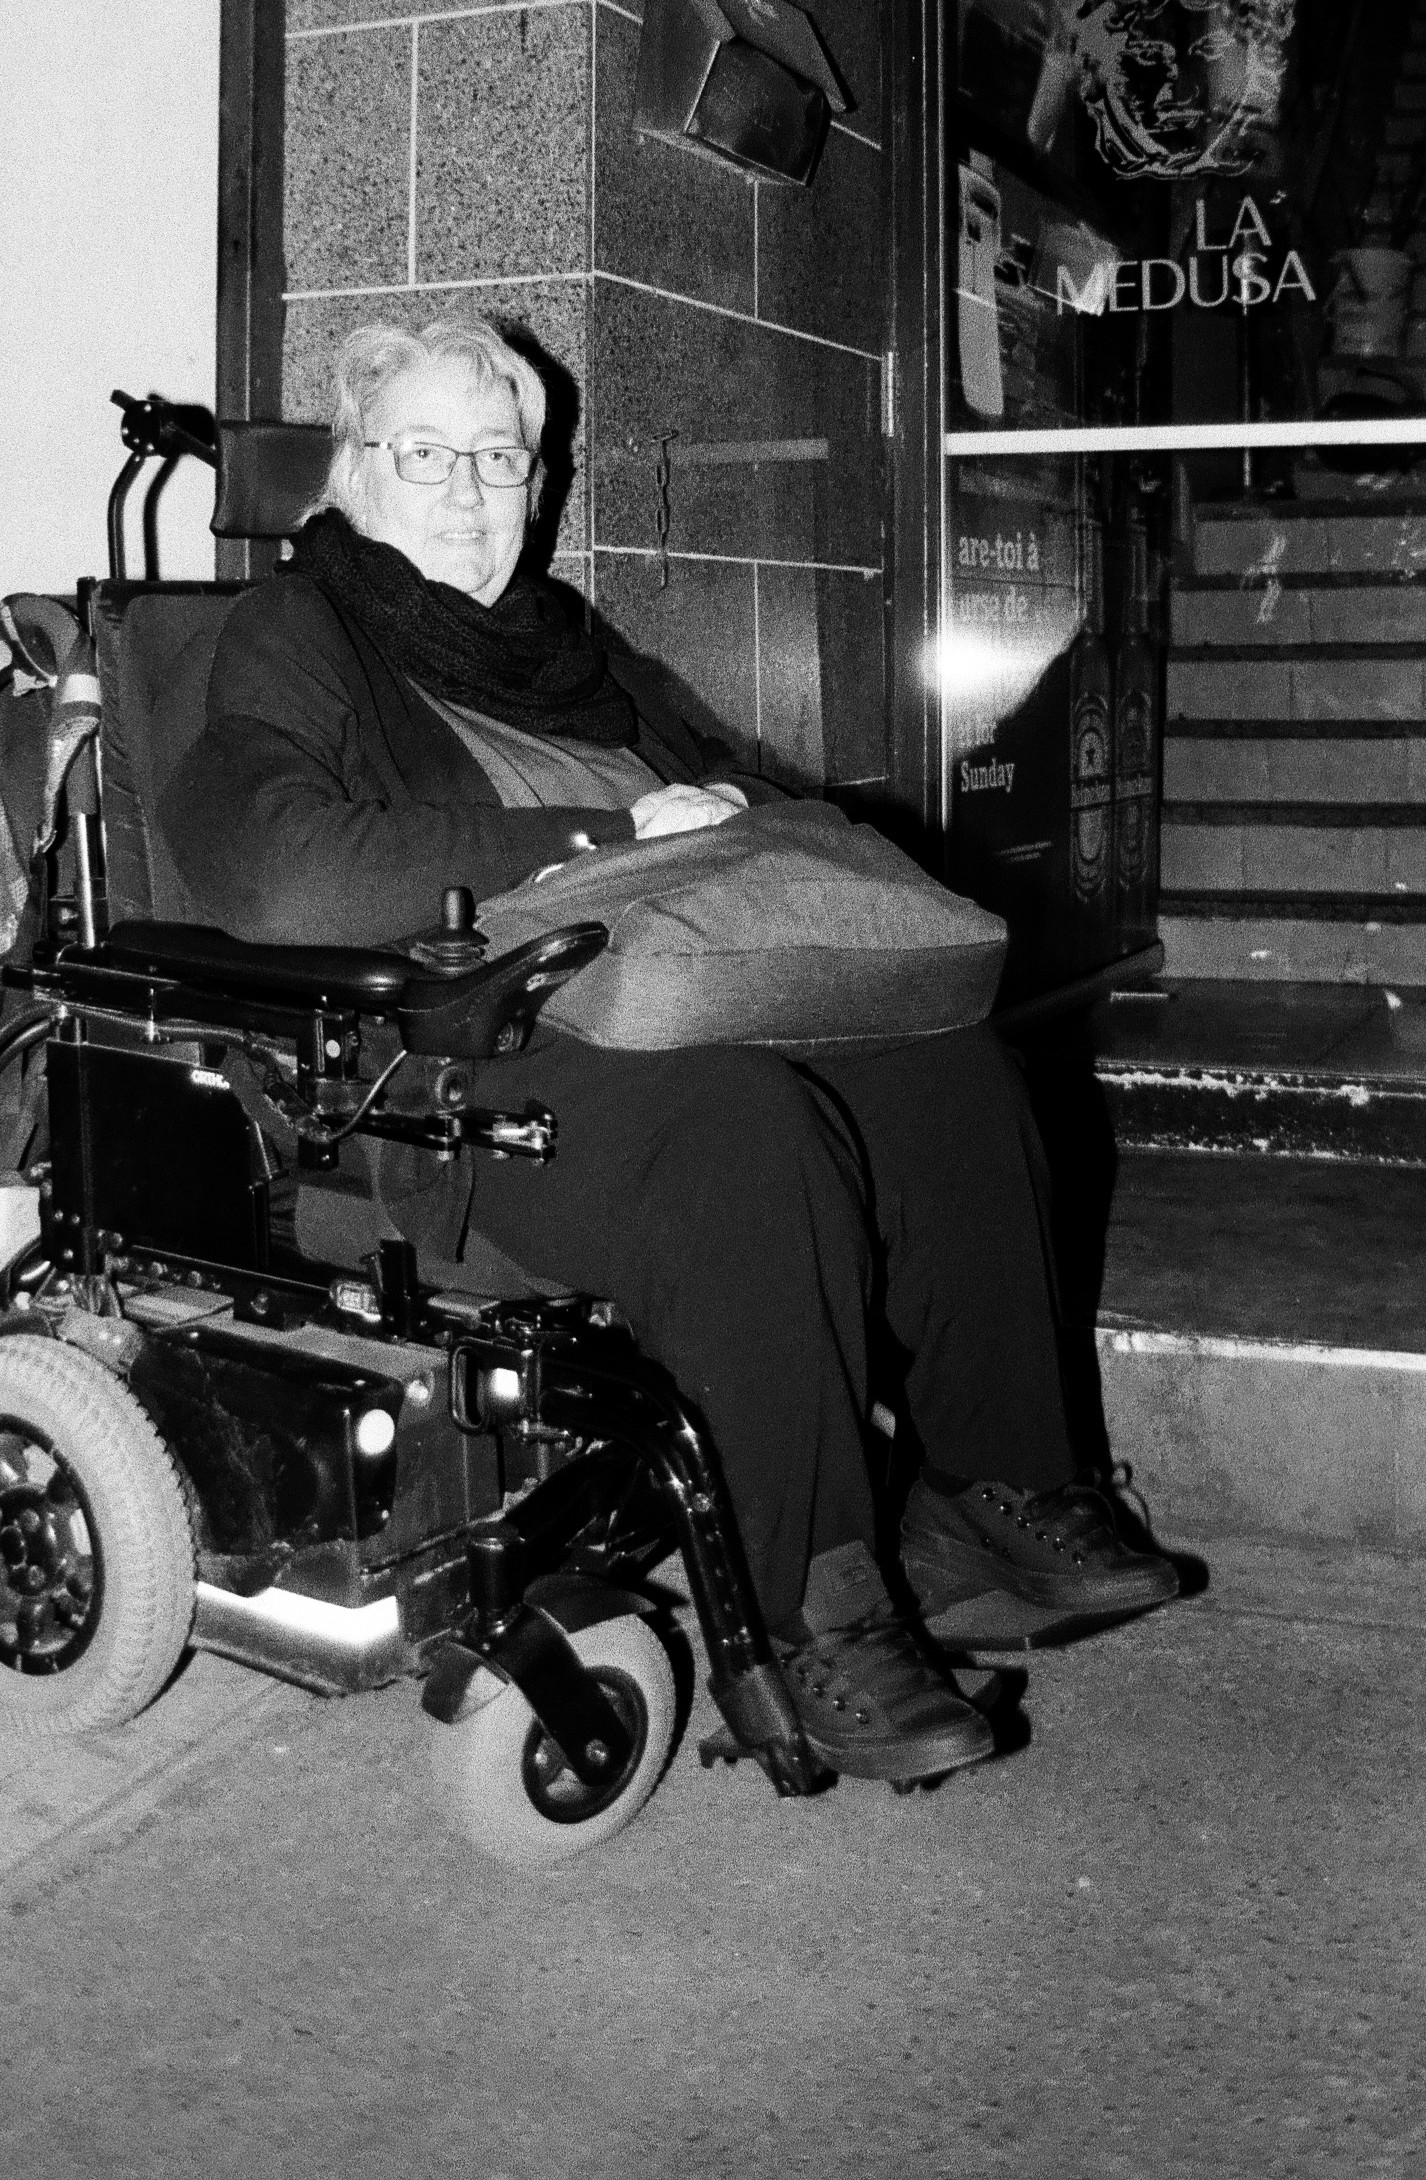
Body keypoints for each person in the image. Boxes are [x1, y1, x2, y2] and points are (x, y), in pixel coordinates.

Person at [160, 313, 1178, 1785]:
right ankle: (814, 1603)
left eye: (499, 457)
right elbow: (273, 870)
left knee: (948, 1071)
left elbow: (742, 796)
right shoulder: (298, 629)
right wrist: (605, 834)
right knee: (745, 1129)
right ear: (350, 473)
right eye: (426, 453)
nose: (466, 489)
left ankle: (990, 1490)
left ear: (542, 481)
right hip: (459, 1068)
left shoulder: (572, 647)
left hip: (662, 995)